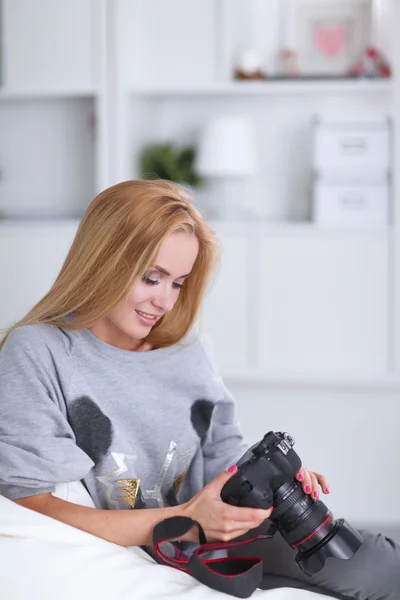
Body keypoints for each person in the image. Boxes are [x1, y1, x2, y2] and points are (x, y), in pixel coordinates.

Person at [0, 180, 398, 599]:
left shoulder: (188, 349)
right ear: (104, 260)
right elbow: (35, 506)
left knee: (381, 565)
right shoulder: (41, 351)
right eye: (152, 278)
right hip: (164, 547)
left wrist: (273, 478)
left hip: (223, 536)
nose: (165, 301)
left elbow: (224, 453)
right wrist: (188, 519)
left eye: (177, 283)